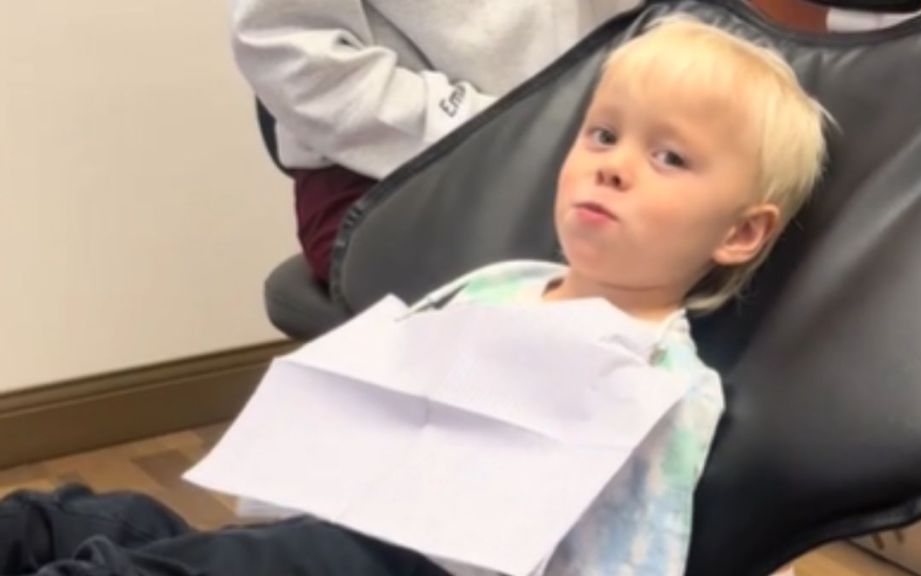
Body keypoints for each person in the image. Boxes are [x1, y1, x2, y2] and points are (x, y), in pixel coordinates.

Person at [0, 18, 829, 576]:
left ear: (740, 234)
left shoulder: (662, 381)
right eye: (603, 135)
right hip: (335, 529)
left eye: (670, 159)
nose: (611, 163)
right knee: (106, 521)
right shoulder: (499, 286)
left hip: (420, 568)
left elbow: (636, 551)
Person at [231, 0, 643, 284]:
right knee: (592, 301)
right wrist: (512, 131)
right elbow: (287, 50)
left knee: (681, 260)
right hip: (396, 173)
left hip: (592, 135)